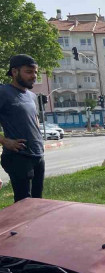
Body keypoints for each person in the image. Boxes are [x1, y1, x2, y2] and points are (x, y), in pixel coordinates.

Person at [0, 54, 45, 203]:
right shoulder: (4, 92)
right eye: (29, 72)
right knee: (24, 203)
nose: (33, 76)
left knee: (38, 202)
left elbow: (35, 120)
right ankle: (17, 227)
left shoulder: (32, 96)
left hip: (37, 155)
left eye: (35, 72)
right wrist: (5, 141)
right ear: (14, 72)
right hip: (18, 156)